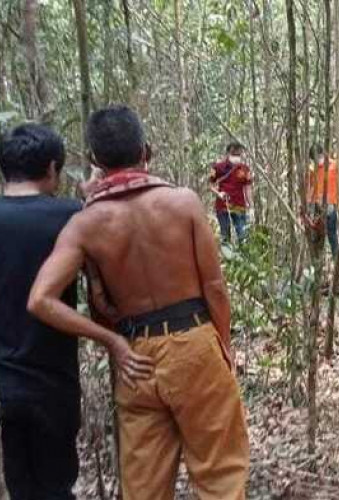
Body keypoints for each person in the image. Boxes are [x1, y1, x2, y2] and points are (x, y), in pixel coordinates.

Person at [28, 106, 250, 500]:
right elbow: (214, 286)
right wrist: (223, 345)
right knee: (220, 478)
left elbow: (41, 300)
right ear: (146, 151)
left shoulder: (86, 223)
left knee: (144, 488)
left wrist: (110, 341)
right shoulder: (183, 203)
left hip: (135, 357)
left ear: (95, 161)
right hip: (194, 345)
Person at [0, 124, 81, 499]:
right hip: (52, 384)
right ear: (52, 168)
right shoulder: (70, 216)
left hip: (5, 387)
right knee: (55, 488)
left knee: (21, 490)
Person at [209, 141, 253, 244]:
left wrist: (251, 207)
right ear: (228, 154)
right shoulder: (218, 167)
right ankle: (228, 259)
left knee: (243, 237)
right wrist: (218, 194)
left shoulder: (245, 169)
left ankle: (243, 258)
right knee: (225, 237)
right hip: (223, 206)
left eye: (239, 154)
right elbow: (210, 185)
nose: (237, 156)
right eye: (234, 154)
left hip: (239, 207)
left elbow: (248, 188)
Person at [307, 144, 339, 258]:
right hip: (318, 206)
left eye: (318, 158)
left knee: (332, 233)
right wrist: (308, 203)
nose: (317, 161)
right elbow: (311, 189)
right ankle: (318, 261)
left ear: (322, 154)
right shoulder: (313, 171)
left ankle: (336, 259)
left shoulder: (334, 166)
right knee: (318, 236)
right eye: (314, 160)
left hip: (331, 205)